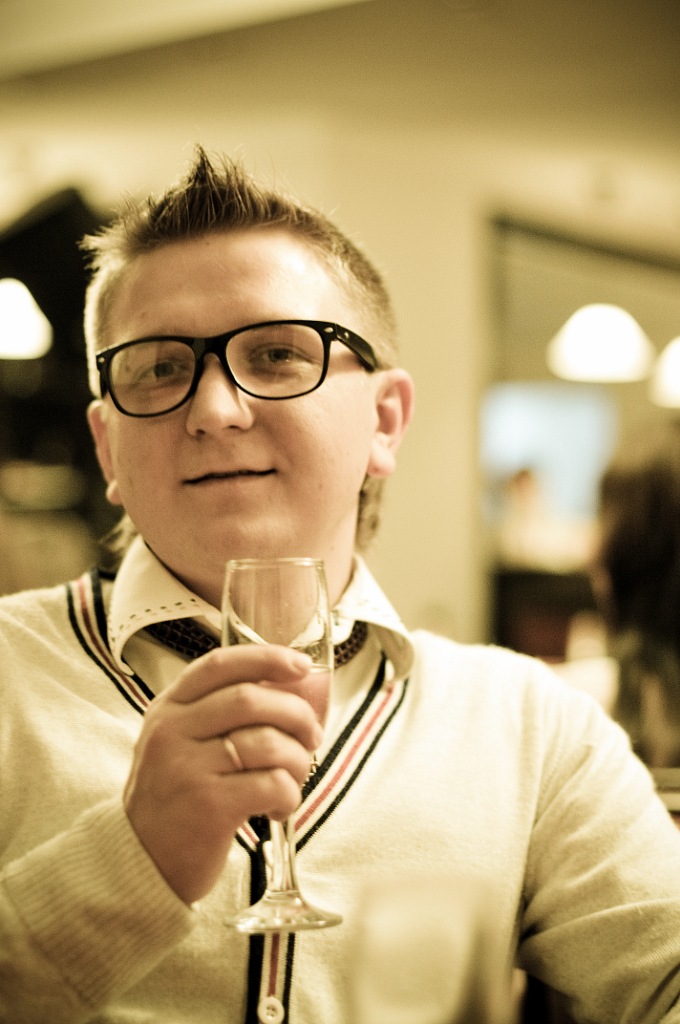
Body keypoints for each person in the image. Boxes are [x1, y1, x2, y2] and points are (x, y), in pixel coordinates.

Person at [2, 148, 680, 1024]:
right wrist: (129, 860)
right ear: (106, 448)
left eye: (277, 354)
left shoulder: (530, 731)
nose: (214, 410)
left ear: (385, 422)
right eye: (160, 368)